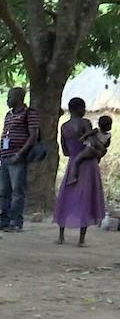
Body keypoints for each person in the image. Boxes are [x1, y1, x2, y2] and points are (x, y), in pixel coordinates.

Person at [55, 98, 106, 246]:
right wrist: (99, 151)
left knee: (66, 196)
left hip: (72, 162)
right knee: (86, 197)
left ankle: (61, 236)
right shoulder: (85, 123)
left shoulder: (64, 126)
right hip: (88, 164)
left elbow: (65, 150)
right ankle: (81, 240)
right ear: (79, 109)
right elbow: (92, 142)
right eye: (83, 108)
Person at [0, 87, 39, 232]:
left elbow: (33, 136)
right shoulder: (9, 115)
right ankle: (4, 220)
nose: (7, 100)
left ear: (18, 98)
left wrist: (20, 154)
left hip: (18, 157)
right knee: (3, 191)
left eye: (10, 97)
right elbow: (4, 135)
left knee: (17, 191)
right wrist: (0, 155)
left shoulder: (29, 113)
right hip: (6, 156)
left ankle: (16, 222)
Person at [67, 114, 112, 185]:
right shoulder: (108, 135)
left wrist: (83, 136)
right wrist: (101, 147)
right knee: (96, 160)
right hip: (98, 152)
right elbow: (107, 145)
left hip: (90, 148)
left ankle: (72, 177)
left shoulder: (96, 130)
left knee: (77, 160)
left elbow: (89, 133)